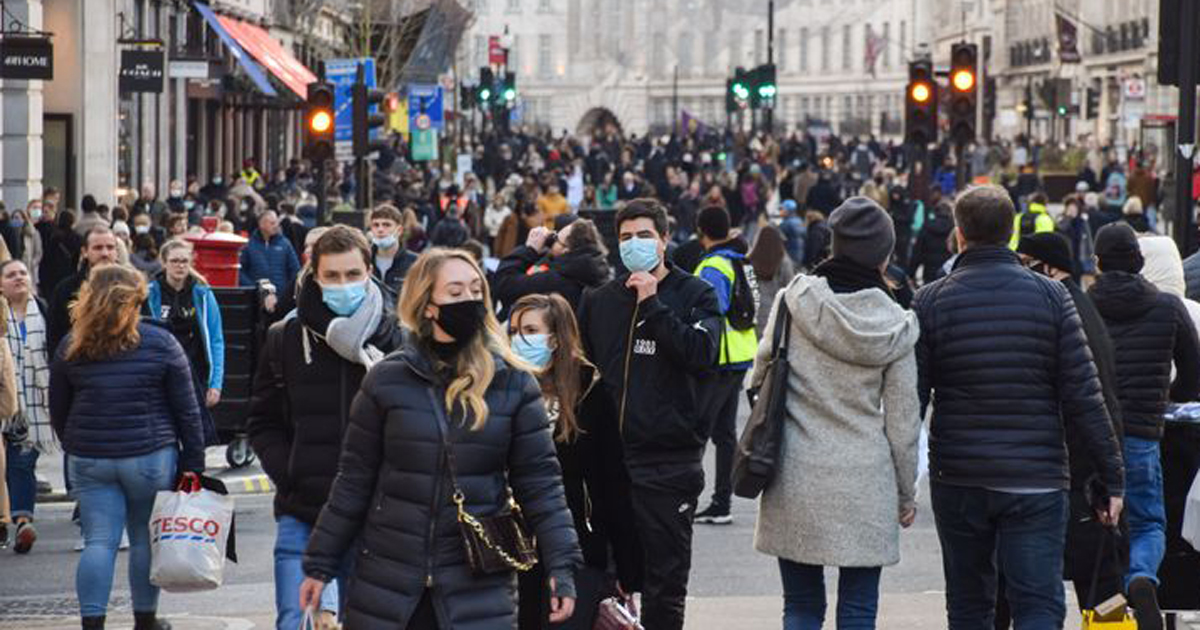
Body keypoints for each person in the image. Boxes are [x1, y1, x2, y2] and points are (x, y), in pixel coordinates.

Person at [298, 248, 582, 629]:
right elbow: (354, 480)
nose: (469, 300)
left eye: (475, 290)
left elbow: (541, 484)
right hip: (389, 583)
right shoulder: (386, 379)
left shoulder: (513, 383)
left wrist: (562, 564)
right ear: (427, 304)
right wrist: (320, 564)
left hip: (477, 583)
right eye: (455, 291)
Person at [913, 185, 1125, 630]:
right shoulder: (1053, 298)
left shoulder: (931, 300)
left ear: (959, 234)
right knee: (1038, 604)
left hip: (960, 474)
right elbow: (1085, 395)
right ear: (1011, 233)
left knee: (970, 603)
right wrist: (1111, 477)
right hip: (1037, 476)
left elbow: (909, 401)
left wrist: (898, 480)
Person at [754, 197, 920, 630]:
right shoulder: (897, 325)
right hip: (866, 478)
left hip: (795, 471)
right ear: (885, 254)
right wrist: (905, 493)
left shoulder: (795, 302)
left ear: (834, 245)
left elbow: (758, 379)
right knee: (859, 611)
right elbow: (903, 423)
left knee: (802, 607)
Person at [246, 226, 404, 630]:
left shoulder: (397, 342)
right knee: (291, 620)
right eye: (332, 276)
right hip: (304, 509)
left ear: (369, 271)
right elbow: (262, 421)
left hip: (376, 514)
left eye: (352, 275)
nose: (343, 285)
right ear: (314, 276)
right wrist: (291, 472)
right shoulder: (285, 339)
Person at [576, 199, 721, 630]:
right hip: (608, 460)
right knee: (603, 578)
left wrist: (654, 305)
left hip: (668, 460)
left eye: (643, 236)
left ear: (663, 239)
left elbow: (701, 354)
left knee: (664, 582)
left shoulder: (695, 293)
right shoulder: (599, 300)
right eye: (625, 238)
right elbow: (583, 371)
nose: (634, 244)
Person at [49, 265, 205, 630]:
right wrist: (193, 463)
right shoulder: (161, 342)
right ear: (137, 299)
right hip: (150, 455)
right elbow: (188, 410)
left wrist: (74, 441)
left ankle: (93, 624)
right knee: (141, 539)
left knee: (99, 541)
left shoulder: (72, 345)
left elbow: (58, 408)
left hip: (89, 456)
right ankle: (145, 620)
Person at [1088, 223, 1200, 630]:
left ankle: (1107, 609)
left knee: (1099, 521)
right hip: (1143, 430)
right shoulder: (1168, 307)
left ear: (1097, 261)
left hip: (1093, 433)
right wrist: (1166, 396)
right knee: (1150, 520)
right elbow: (1193, 372)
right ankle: (1141, 577)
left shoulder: (1083, 305)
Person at [1010, 232, 1127, 620]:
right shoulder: (1081, 305)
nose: (1021, 270)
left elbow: (1086, 398)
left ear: (1049, 266)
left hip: (1076, 470)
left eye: (1026, 261)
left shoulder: (1063, 309)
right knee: (1096, 584)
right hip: (1089, 465)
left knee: (1066, 584)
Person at [509, 293, 643, 630]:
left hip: (578, 546)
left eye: (529, 329)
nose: (518, 339)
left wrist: (628, 568)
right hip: (512, 545)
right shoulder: (501, 388)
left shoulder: (589, 391)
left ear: (555, 338)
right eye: (512, 330)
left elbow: (614, 481)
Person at [692, 205, 757, 525]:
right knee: (725, 432)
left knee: (700, 428)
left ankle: (692, 497)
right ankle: (721, 501)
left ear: (701, 230)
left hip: (719, 356)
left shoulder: (713, 265)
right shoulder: (739, 259)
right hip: (740, 352)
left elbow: (711, 309)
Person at [145, 241, 225, 446]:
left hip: (195, 374)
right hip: (161, 374)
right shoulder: (149, 293)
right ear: (163, 263)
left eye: (184, 261)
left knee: (194, 437)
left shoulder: (203, 294)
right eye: (174, 261)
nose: (180, 266)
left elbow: (216, 340)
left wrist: (215, 384)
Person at [0, 260, 54, 554]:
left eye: (23, 273)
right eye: (11, 275)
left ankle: (22, 522)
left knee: (22, 463)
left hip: (34, 402)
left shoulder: (42, 310)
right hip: (3, 398)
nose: (19, 278)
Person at [494, 218, 610, 317]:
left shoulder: (558, 281)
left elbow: (504, 283)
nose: (551, 242)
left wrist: (530, 249)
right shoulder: (595, 272)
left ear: (566, 250)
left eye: (556, 239)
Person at [48, 226, 119, 354]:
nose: (105, 253)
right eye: (98, 248)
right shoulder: (65, 289)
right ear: (84, 252)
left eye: (110, 247)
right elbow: (55, 336)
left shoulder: (131, 288)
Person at [239, 209, 301, 308]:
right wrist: (253, 288)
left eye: (276, 222)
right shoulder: (249, 245)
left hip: (281, 299)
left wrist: (287, 293)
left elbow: (295, 269)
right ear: (261, 224)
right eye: (272, 223)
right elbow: (240, 270)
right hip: (255, 299)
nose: (276, 225)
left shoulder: (285, 244)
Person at [748, 224, 796, 337]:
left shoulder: (749, 261)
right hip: (776, 316)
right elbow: (791, 290)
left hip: (753, 314)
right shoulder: (784, 262)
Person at [367, 204, 419, 303]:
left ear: (399, 230)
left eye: (386, 225)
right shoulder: (364, 260)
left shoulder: (414, 262)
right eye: (375, 225)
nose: (380, 230)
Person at [908, 199, 955, 285]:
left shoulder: (927, 226)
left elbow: (917, 252)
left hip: (929, 272)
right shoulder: (954, 229)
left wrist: (911, 273)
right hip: (950, 271)